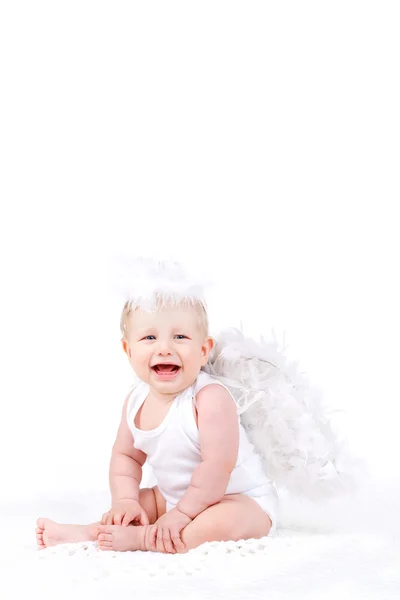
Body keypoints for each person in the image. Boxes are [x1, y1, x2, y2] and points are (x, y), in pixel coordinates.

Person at [36, 265, 279, 554]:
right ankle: (94, 532)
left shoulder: (210, 399)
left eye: (180, 337)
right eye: (149, 338)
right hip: (173, 497)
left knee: (224, 522)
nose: (164, 348)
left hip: (236, 497)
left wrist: (183, 515)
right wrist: (125, 502)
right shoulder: (136, 401)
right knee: (140, 503)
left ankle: (144, 540)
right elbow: (126, 457)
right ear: (128, 350)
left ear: (203, 350)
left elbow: (216, 470)